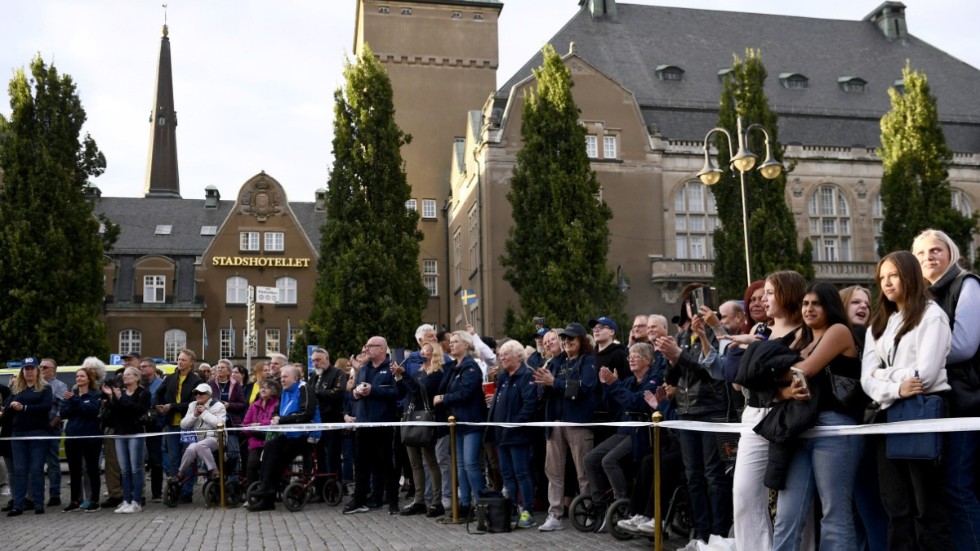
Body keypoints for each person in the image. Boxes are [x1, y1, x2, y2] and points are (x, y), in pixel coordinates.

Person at [862, 250, 953, 549]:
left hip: (924, 410)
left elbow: (925, 375)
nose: (886, 283)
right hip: (888, 413)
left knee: (927, 503)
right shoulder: (879, 323)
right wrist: (895, 386)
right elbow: (866, 378)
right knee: (895, 506)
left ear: (909, 276)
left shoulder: (932, 315)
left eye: (893, 275)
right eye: (882, 278)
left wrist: (885, 377)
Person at [771, 282, 863, 550]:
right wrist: (784, 389)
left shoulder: (838, 331)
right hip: (800, 429)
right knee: (787, 516)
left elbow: (805, 370)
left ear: (830, 306)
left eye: (816, 303)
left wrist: (769, 371)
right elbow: (775, 391)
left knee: (834, 514)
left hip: (836, 429)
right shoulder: (802, 338)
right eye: (805, 303)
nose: (808, 308)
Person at [722, 272, 807, 551]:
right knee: (745, 494)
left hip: (789, 420)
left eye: (770, 293)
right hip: (754, 416)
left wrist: (778, 388)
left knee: (793, 502)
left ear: (788, 294)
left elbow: (798, 380)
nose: (763, 300)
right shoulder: (763, 333)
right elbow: (744, 382)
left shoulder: (804, 334)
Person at [913, 229, 980, 551]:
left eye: (936, 250)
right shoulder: (918, 297)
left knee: (957, 485)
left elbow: (965, 346)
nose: (930, 257)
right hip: (932, 402)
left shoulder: (966, 284)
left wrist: (915, 359)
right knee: (939, 489)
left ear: (950, 253)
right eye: (922, 253)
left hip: (965, 402)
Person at [656, 283, 732, 545]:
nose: (694, 306)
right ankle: (700, 533)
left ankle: (719, 534)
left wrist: (680, 356)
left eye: (699, 299)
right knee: (693, 476)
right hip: (686, 410)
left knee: (714, 475)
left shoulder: (716, 332)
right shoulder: (681, 336)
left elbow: (710, 371)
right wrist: (672, 358)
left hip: (711, 409)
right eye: (690, 301)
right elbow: (671, 379)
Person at [586, 341, 662, 531]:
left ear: (648, 360)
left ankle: (622, 502)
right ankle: (600, 503)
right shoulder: (628, 381)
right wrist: (607, 385)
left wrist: (614, 384)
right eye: (630, 356)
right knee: (590, 459)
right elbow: (611, 406)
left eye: (636, 356)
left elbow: (635, 402)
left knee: (608, 461)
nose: (631, 359)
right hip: (622, 431)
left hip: (639, 434)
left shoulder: (653, 380)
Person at [533, 322, 597, 532]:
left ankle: (588, 511)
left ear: (581, 341)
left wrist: (554, 384)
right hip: (555, 421)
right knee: (553, 471)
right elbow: (546, 390)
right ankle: (555, 514)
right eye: (565, 339)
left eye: (572, 338)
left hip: (577, 422)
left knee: (583, 472)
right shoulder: (556, 362)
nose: (567, 342)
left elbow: (585, 388)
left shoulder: (588, 361)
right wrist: (543, 385)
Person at [434, 330, 487, 517]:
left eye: (456, 341)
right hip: (456, 422)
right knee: (460, 466)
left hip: (471, 420)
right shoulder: (453, 368)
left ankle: (482, 503)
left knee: (471, 464)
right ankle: (465, 504)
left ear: (466, 344)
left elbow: (466, 393)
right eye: (451, 342)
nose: (452, 344)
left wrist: (444, 398)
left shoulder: (471, 367)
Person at [250, 364, 317, 511]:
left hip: (306, 436)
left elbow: (307, 414)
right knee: (270, 447)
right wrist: (275, 418)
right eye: (281, 377)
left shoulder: (304, 389)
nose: (282, 380)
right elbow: (276, 411)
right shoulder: (284, 392)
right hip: (288, 434)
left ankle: (268, 493)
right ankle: (266, 491)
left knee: (278, 457)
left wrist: (282, 420)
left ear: (295, 377)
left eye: (285, 377)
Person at [487, 339, 538, 528]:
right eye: (500, 355)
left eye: (505, 354)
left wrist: (514, 424)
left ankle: (528, 511)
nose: (502, 358)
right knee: (507, 474)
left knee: (522, 473)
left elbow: (529, 405)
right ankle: (513, 508)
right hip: (501, 436)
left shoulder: (526, 376)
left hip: (518, 435)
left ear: (518, 355)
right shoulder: (503, 377)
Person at [397, 342, 444, 517]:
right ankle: (419, 500)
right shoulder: (416, 372)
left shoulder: (436, 374)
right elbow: (405, 392)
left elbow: (421, 390)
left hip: (425, 420)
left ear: (434, 354)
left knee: (431, 461)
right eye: (422, 350)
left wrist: (405, 377)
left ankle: (437, 501)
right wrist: (399, 378)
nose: (422, 353)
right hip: (410, 418)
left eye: (426, 350)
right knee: (415, 463)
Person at [4, 358, 53, 516]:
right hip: (18, 433)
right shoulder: (17, 389)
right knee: (19, 470)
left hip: (38, 432)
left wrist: (24, 408)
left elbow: (46, 407)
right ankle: (18, 505)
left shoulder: (45, 388)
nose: (29, 371)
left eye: (32, 368)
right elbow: (7, 410)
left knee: (36, 469)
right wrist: (10, 406)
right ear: (22, 371)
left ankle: (38, 503)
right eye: (26, 369)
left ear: (37, 370)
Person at [155, 349, 203, 503]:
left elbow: (193, 403)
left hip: (188, 425)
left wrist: (172, 406)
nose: (180, 362)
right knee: (174, 459)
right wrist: (158, 406)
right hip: (172, 425)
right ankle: (176, 487)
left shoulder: (196, 381)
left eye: (183, 359)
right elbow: (158, 393)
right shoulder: (171, 378)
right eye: (179, 359)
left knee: (187, 458)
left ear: (191, 362)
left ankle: (187, 491)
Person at [103, 366, 151, 513]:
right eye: (124, 375)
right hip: (120, 433)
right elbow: (115, 412)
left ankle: (136, 501)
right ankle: (126, 500)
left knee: (136, 468)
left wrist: (120, 398)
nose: (125, 377)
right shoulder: (121, 393)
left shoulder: (143, 393)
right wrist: (111, 397)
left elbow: (137, 410)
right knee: (124, 470)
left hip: (135, 433)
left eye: (129, 375)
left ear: (136, 377)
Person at [59, 366, 102, 513]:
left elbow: (91, 411)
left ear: (89, 379)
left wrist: (76, 401)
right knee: (74, 470)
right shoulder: (72, 395)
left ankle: (95, 500)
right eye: (77, 376)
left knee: (91, 469)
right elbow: (64, 412)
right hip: (72, 437)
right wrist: (75, 402)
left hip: (90, 437)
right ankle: (74, 500)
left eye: (82, 376)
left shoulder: (95, 395)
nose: (78, 378)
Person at [310, 348, 346, 498]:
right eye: (313, 361)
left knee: (333, 456)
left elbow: (338, 393)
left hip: (332, 420)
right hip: (317, 421)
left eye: (318, 360)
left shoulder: (338, 373)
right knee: (319, 457)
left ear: (327, 359)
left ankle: (335, 488)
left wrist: (317, 393)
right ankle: (320, 489)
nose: (315, 363)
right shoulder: (313, 376)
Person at [175, 384, 227, 486]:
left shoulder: (218, 405)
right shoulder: (192, 405)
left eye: (201, 393)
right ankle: (180, 474)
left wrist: (204, 413)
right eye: (196, 393)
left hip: (217, 438)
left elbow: (219, 424)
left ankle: (214, 471)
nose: (198, 395)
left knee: (201, 445)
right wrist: (194, 415)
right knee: (190, 448)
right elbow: (183, 425)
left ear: (209, 394)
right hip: (199, 439)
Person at [241, 379, 281, 487]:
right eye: (261, 387)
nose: (262, 389)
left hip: (272, 440)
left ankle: (267, 489)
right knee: (251, 465)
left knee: (269, 466)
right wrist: (253, 430)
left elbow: (275, 421)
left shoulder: (278, 404)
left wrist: (259, 424)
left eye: (266, 387)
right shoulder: (254, 405)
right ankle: (252, 492)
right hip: (255, 441)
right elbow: (245, 425)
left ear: (274, 391)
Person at [39, 358, 66, 507]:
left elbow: (62, 409)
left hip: (51, 430)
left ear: (53, 371)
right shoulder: (35, 385)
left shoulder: (60, 386)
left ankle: (55, 495)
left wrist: (51, 425)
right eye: (40, 367)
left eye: (45, 367)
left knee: (53, 464)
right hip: (35, 430)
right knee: (35, 465)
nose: (41, 369)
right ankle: (36, 496)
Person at [140, 357, 166, 502]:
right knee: (141, 460)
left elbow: (163, 403)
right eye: (141, 367)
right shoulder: (139, 384)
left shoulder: (161, 384)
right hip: (140, 424)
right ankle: (141, 492)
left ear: (152, 368)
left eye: (144, 367)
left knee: (156, 460)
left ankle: (157, 493)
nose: (142, 369)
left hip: (155, 425)